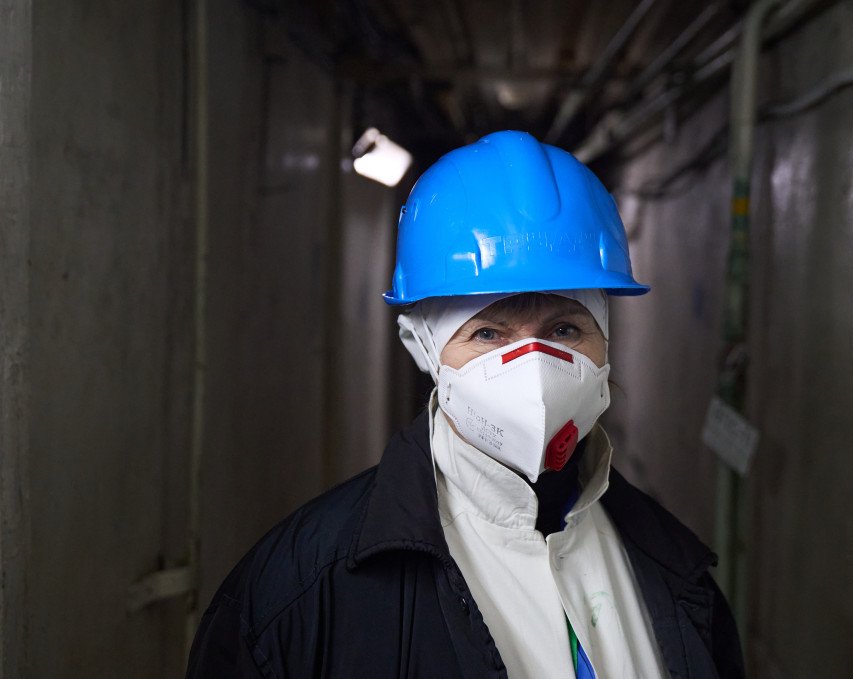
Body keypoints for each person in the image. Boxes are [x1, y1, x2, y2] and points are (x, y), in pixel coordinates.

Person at [186, 131, 744, 678]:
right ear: (422, 348)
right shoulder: (297, 600)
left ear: (606, 343)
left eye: (565, 329)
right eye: (488, 335)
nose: (534, 370)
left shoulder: (676, 572)